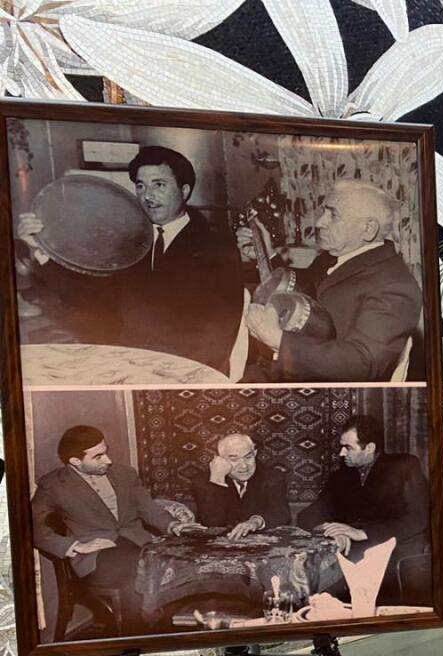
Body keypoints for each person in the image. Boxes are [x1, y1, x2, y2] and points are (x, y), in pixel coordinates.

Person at [18, 145, 244, 374]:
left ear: (184, 190)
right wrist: (41, 250)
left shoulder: (216, 246)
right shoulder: (127, 242)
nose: (148, 196)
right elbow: (91, 299)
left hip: (185, 371)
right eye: (140, 185)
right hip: (127, 364)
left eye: (159, 185)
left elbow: (219, 330)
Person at [244, 179, 422, 382]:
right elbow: (304, 290)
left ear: (368, 229)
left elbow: (363, 363)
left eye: (333, 215)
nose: (319, 222)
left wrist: (279, 340)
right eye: (323, 211)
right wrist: (267, 254)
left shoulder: (396, 285)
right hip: (287, 371)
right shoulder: (334, 257)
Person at [32, 425, 202, 630]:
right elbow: (31, 526)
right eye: (98, 457)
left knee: (161, 566)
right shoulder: (54, 484)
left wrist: (173, 525)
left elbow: (148, 508)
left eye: (106, 452)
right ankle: (150, 632)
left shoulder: (125, 474)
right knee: (146, 567)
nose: (108, 460)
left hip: (137, 544)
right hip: (97, 557)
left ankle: (148, 632)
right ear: (75, 461)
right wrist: (74, 546)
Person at [299, 415, 429, 604]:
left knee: (329, 590)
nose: (341, 453)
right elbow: (307, 515)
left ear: (370, 447)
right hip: (353, 553)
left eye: (348, 447)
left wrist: (363, 533)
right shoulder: (341, 476)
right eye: (341, 447)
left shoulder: (404, 466)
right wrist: (332, 530)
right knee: (312, 587)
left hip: (398, 551)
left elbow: (418, 518)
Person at [192, 433, 290, 538]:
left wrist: (256, 521)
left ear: (255, 453)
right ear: (220, 461)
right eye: (234, 459)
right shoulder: (203, 481)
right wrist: (218, 480)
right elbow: (211, 522)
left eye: (248, 457)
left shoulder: (272, 476)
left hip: (260, 543)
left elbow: (281, 512)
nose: (244, 466)